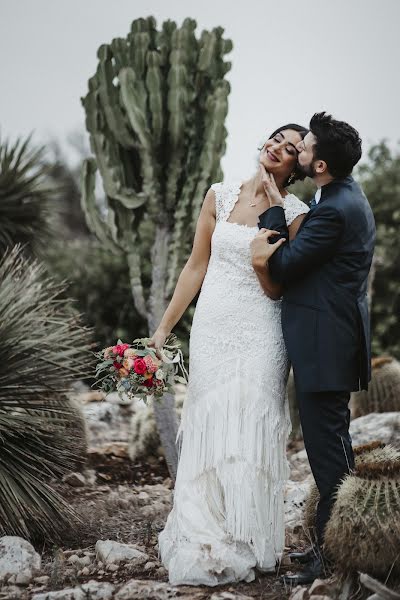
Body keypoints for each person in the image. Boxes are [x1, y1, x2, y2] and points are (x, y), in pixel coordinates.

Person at [150, 123, 310, 586]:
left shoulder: (296, 213)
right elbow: (196, 265)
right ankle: (205, 529)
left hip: (262, 330)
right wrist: (163, 329)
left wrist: (265, 259)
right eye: (278, 138)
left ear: (298, 165)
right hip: (213, 326)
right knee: (208, 419)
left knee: (251, 421)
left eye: (294, 148)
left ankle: (247, 533)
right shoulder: (219, 194)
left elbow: (281, 285)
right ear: (264, 143)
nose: (281, 147)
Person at [251, 112, 376, 585]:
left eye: (305, 146)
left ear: (319, 164)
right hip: (333, 341)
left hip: (325, 346)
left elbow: (282, 264)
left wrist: (269, 205)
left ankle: (337, 559)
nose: (299, 148)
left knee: (329, 458)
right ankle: (330, 545)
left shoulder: (333, 211)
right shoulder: (343, 194)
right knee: (333, 452)